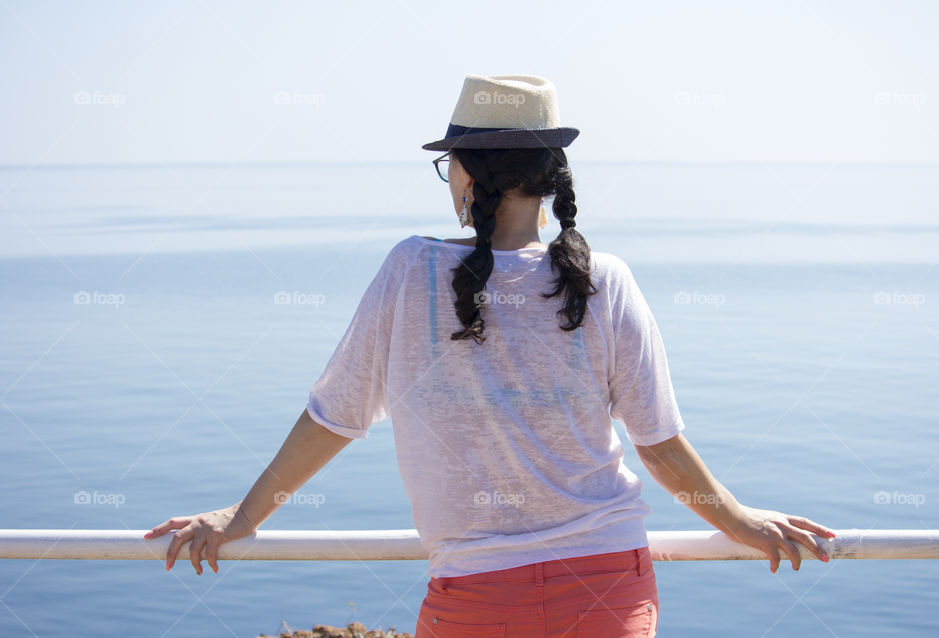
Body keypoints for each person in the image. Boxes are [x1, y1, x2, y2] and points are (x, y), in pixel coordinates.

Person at [145, 74, 837, 638]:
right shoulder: (607, 279)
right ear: (549, 176)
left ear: (469, 173)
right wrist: (739, 520)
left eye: (449, 165)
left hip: (475, 598)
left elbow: (335, 417)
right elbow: (657, 443)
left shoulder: (409, 272)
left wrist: (240, 518)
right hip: (607, 590)